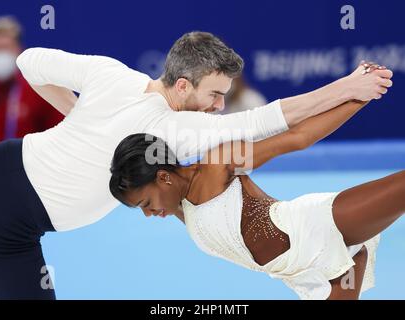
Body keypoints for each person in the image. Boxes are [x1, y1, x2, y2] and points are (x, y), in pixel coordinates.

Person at [0, 31, 391, 299]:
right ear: (182, 85)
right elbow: (267, 122)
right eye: (215, 94)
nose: (219, 107)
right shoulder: (177, 131)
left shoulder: (111, 74)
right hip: (9, 194)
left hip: (15, 223)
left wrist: (77, 115)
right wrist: (348, 88)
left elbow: (30, 61)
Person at [109, 81, 399, 299]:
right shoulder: (176, 205)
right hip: (309, 274)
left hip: (315, 226)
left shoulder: (220, 164)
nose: (148, 213)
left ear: (163, 178)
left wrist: (361, 96)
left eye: (145, 203)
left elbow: (296, 138)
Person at [0, 16, 63, 143]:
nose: (0, 55)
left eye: (5, 48)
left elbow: (60, 137)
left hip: (28, 161)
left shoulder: (40, 89)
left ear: (18, 50)